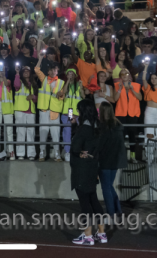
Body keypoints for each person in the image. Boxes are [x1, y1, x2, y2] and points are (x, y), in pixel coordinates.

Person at [69, 99, 107, 246]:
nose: (77, 113)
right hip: (92, 167)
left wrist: (74, 129)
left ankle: (88, 235)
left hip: (82, 169)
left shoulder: (84, 129)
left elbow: (76, 147)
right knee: (94, 200)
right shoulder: (97, 127)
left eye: (79, 111)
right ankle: (102, 233)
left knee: (85, 203)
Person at [96, 102, 127, 223]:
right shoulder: (117, 125)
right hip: (115, 161)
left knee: (106, 188)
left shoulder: (103, 126)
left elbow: (100, 145)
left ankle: (111, 214)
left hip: (105, 160)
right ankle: (117, 211)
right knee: (109, 186)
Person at [111, 69, 142, 162]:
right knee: (121, 136)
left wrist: (132, 89)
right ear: (120, 76)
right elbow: (115, 99)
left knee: (132, 135)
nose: (124, 75)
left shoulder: (136, 85)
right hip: (121, 114)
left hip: (133, 114)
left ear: (129, 75)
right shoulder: (117, 86)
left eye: (126, 73)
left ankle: (132, 156)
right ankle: (122, 156)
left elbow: (140, 98)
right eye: (122, 74)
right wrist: (120, 89)